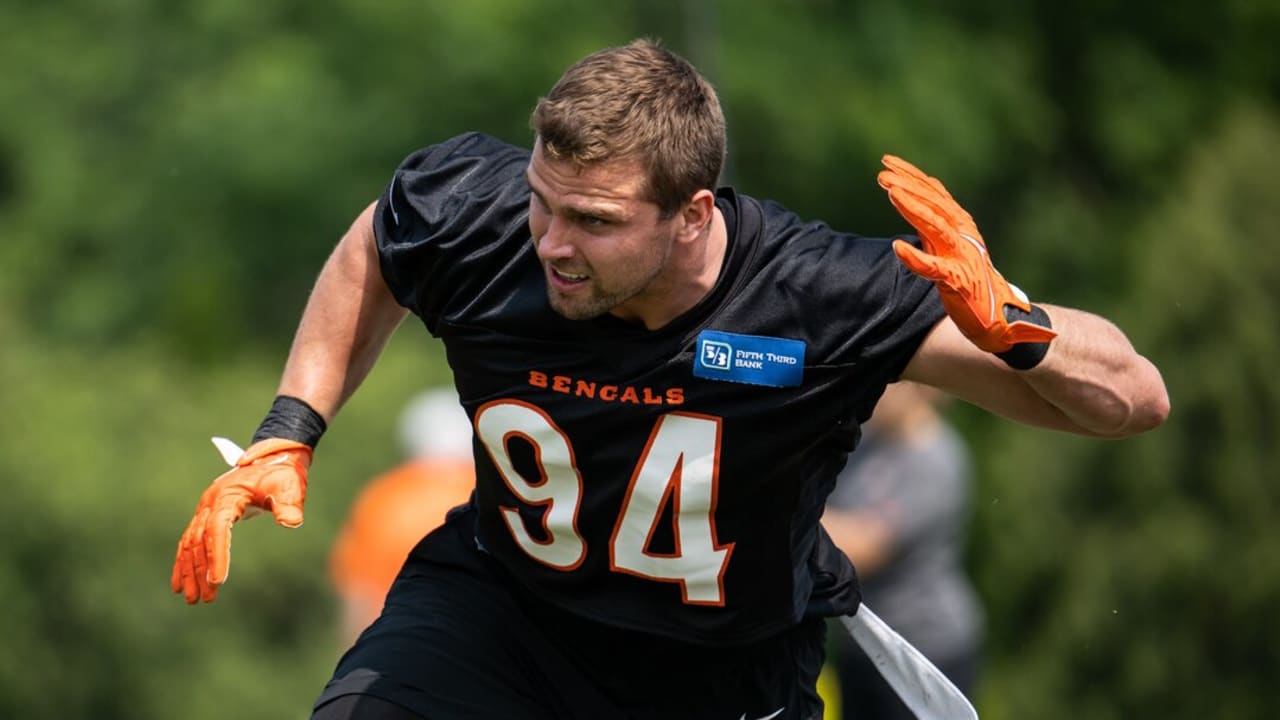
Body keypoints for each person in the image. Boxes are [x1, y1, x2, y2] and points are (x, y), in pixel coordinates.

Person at [170, 38, 1169, 720]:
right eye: (541, 203)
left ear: (692, 214)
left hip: (716, 672)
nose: (552, 245)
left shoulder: (812, 295)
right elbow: (376, 248)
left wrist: (1017, 328)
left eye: (595, 222)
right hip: (503, 612)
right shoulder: (482, 220)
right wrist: (292, 425)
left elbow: (1132, 401)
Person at [822, 381, 983, 719]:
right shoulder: (866, 444)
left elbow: (861, 548)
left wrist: (779, 516)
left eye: (891, 382)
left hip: (924, 651)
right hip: (864, 643)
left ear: (921, 389)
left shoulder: (934, 461)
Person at [328, 387, 475, 645]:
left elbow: (358, 596)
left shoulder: (383, 497)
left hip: (395, 648)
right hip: (478, 646)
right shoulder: (488, 494)